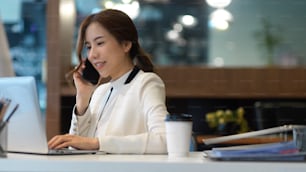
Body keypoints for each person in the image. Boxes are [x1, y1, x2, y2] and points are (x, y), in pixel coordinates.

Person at [48, 9, 168, 154]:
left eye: (100, 43)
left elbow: (165, 140)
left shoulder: (146, 83)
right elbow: (75, 149)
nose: (93, 54)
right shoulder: (100, 91)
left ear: (126, 44)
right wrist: (82, 99)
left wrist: (97, 143)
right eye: (88, 47)